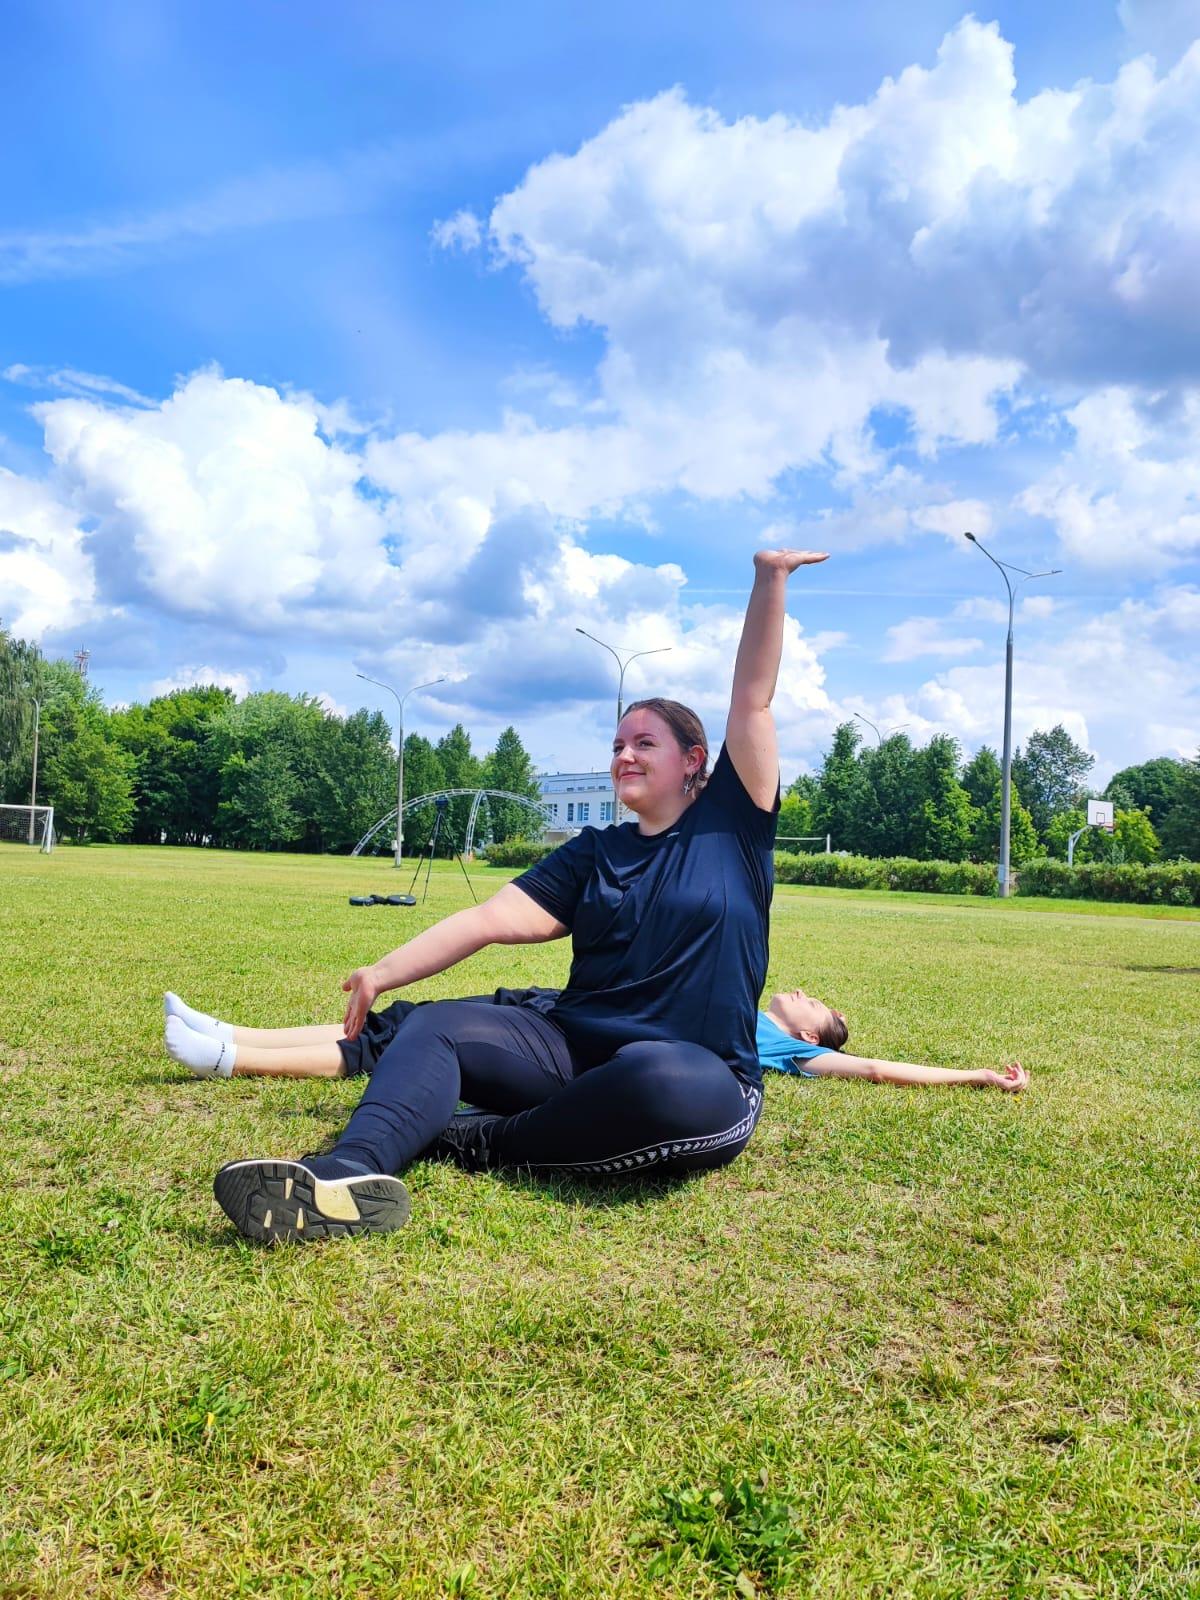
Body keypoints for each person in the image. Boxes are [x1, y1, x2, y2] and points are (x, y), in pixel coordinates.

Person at [209, 546, 819, 1245]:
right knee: (433, 1025)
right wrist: (383, 972)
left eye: (644, 743)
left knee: (659, 1076)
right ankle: (346, 1171)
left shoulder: (735, 828)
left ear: (693, 761)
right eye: (617, 744)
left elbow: (753, 698)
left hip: (699, 1077)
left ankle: (476, 1142)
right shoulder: (595, 852)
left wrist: (769, 579)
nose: (623, 755)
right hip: (575, 1054)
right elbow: (488, 919)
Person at [167, 982, 1028, 1092]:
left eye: (813, 1000)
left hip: (567, 1039)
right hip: (567, 1005)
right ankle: (236, 1028)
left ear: (811, 1033)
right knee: (395, 1021)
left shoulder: (782, 1046)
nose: (798, 991)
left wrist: (977, 1078)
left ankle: (230, 1059)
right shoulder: (731, 984)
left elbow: (876, 1067)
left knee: (390, 1050)